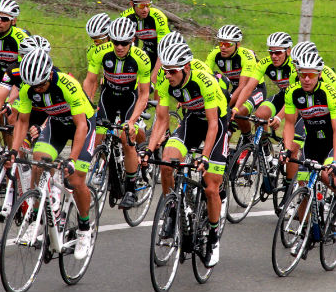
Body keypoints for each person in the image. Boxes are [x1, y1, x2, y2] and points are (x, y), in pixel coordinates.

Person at [139, 41, 229, 268]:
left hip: (215, 124)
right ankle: (171, 209)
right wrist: (149, 150)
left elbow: (212, 125)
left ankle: (214, 239)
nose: (167, 75)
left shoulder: (204, 81)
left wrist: (205, 156)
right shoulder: (165, 80)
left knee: (210, 187)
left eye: (172, 71)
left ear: (186, 67)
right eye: (165, 70)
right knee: (167, 163)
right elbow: (161, 120)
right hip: (191, 122)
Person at [6, 48, 96, 260]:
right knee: (38, 162)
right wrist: (12, 151)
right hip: (57, 124)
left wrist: (72, 160)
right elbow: (23, 121)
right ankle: (37, 217)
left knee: (75, 180)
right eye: (33, 85)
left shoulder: (67, 85)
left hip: (82, 125)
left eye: (41, 85)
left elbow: (81, 126)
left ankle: (84, 229)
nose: (37, 89)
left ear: (49, 74)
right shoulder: (29, 88)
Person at [85, 17, 151, 209]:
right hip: (108, 96)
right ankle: (104, 170)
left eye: (124, 43)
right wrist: (88, 106)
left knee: (125, 138)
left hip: (129, 98)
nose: (119, 46)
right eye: (115, 42)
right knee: (96, 135)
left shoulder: (141, 58)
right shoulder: (100, 52)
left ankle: (130, 189)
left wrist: (132, 121)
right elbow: (90, 81)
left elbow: (144, 93)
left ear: (132, 41)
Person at [282, 52, 336, 256]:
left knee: (328, 176)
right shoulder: (293, 92)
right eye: (302, 74)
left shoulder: (329, 93)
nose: (305, 78)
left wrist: (335, 161)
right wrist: (287, 149)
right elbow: (288, 123)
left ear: (319, 75)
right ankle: (306, 235)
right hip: (312, 142)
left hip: (331, 142)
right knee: (304, 185)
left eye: (310, 75)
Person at [231, 31, 296, 189]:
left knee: (294, 144)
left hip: (296, 101)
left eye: (278, 52)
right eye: (271, 51)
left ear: (288, 51)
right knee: (260, 116)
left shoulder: (294, 66)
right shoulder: (265, 63)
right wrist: (236, 107)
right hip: (282, 96)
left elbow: (292, 101)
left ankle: (289, 187)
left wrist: (279, 118)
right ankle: (267, 154)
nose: (274, 56)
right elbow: (248, 87)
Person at [206, 24, 266, 144]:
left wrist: (229, 106)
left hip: (254, 89)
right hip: (236, 88)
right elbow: (204, 75)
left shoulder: (246, 56)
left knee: (238, 112)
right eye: (220, 43)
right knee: (225, 124)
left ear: (238, 44)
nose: (223, 47)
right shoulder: (215, 53)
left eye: (227, 44)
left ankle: (247, 139)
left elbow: (243, 86)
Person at [120, 0, 170, 83]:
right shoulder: (126, 17)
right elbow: (126, 46)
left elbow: (163, 51)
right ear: (132, 4)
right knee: (135, 78)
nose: (146, 9)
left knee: (159, 81)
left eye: (148, 5)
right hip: (149, 50)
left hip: (167, 50)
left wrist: (153, 79)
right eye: (142, 5)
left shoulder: (158, 17)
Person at [83, 13, 111, 98]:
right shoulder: (92, 51)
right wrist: (89, 102)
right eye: (93, 39)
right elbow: (92, 80)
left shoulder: (121, 47)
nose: (96, 43)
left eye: (99, 39)